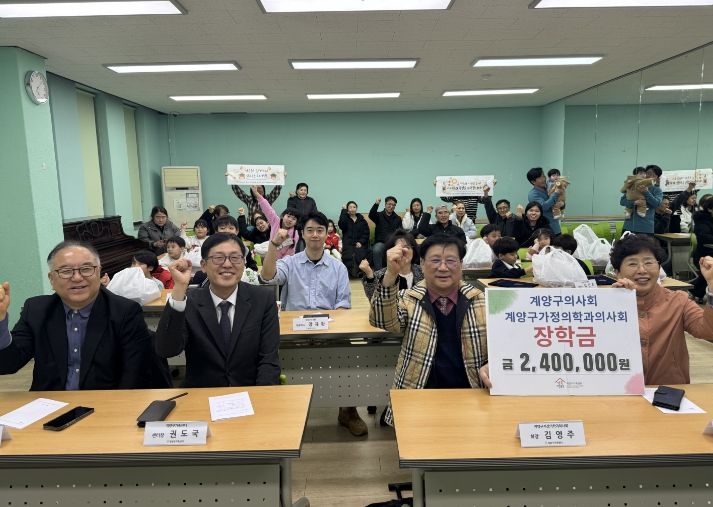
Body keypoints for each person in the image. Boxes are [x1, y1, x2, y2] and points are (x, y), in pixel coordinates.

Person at [480, 234, 713, 389]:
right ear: (617, 272)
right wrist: (501, 362)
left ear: (659, 267)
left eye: (649, 263)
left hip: (667, 392)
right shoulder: (600, 304)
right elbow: (555, 338)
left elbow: (707, 331)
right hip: (614, 392)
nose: (642, 270)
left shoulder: (678, 301)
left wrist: (711, 290)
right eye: (632, 264)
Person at [260, 212, 362, 436]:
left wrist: (330, 329)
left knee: (351, 354)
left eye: (319, 230)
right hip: (293, 333)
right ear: (303, 234)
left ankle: (348, 410)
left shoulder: (338, 267)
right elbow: (268, 277)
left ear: (327, 234)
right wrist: (273, 246)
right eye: (310, 230)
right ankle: (282, 410)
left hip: (329, 331)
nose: (315, 235)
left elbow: (343, 306)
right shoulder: (290, 262)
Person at [369, 234, 488, 426]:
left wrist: (492, 365)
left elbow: (503, 346)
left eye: (451, 260)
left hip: (473, 393)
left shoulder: (481, 301)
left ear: (461, 265)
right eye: (435, 260)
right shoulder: (408, 298)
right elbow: (382, 320)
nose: (443, 267)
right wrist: (391, 273)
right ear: (422, 265)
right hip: (420, 393)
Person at [0, 241, 152, 390]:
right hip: (49, 402)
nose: (77, 278)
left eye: (86, 269)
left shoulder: (125, 312)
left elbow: (134, 376)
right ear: (51, 279)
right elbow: (7, 364)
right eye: (66, 271)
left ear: (99, 272)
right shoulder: (36, 310)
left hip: (104, 402)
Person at [154, 233, 280, 387]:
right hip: (203, 393)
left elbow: (268, 359)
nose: (227, 264)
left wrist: (262, 396)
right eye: (218, 258)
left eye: (235, 258)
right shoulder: (189, 301)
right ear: (203, 265)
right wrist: (180, 287)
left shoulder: (262, 299)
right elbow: (166, 350)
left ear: (244, 263)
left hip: (249, 391)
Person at [359, 230, 423, 301]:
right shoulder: (380, 275)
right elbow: (374, 301)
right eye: (398, 248)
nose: (403, 251)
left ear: (414, 251)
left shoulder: (423, 271)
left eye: (407, 247)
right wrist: (369, 275)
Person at [255, 186, 300, 259]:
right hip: (269, 257)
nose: (290, 220)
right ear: (283, 215)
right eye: (288, 216)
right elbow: (267, 208)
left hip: (283, 262)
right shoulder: (276, 221)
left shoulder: (295, 234)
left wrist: (282, 263)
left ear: (296, 222)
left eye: (294, 219)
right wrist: (257, 195)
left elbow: (290, 252)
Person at [620, 164, 663, 235]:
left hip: (646, 228)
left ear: (656, 177)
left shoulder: (657, 190)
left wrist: (646, 192)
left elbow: (656, 204)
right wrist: (634, 202)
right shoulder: (633, 185)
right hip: (628, 226)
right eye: (648, 173)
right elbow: (622, 201)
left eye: (653, 175)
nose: (649, 176)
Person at [339, 200, 371, 278]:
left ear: (356, 208)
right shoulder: (345, 219)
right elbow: (341, 225)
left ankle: (358, 272)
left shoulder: (362, 220)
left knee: (360, 254)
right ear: (347, 209)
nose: (352, 209)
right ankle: (353, 273)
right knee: (349, 255)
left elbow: (366, 233)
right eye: (350, 207)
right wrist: (343, 211)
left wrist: (361, 242)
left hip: (360, 244)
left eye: (354, 207)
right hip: (348, 244)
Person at [369, 196, 403, 271]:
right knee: (377, 249)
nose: (391, 206)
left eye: (393, 205)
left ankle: (398, 273)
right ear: (385, 204)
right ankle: (378, 273)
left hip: (393, 243)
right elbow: (371, 215)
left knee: (401, 249)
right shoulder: (378, 215)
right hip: (381, 243)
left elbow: (400, 233)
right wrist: (376, 204)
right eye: (389, 204)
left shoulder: (398, 218)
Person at [526, 167, 562, 235]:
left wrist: (562, 204)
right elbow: (543, 207)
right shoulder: (533, 194)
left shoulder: (548, 189)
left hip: (556, 227)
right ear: (533, 182)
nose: (544, 179)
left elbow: (559, 201)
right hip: (545, 231)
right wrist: (556, 193)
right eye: (540, 178)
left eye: (544, 176)